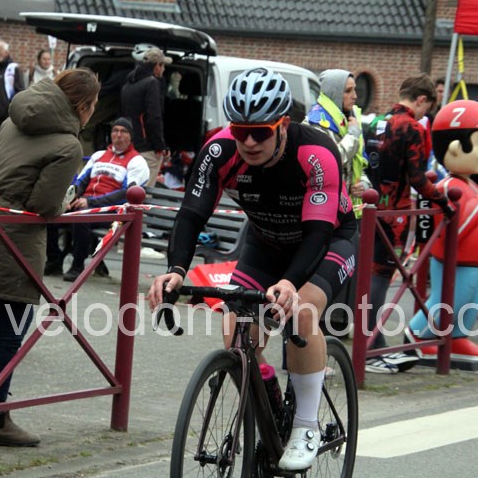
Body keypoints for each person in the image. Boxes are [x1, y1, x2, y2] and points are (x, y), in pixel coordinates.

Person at [148, 68, 357, 471]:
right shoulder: (219, 150)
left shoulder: (316, 153)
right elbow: (191, 214)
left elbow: (317, 233)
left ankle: (306, 425)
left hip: (328, 239)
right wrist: (176, 269)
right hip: (266, 242)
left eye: (260, 132)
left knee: (301, 311)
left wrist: (290, 283)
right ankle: (273, 406)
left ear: (283, 125)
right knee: (237, 336)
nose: (248, 142)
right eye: (241, 130)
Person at [0, 68, 100, 446]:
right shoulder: (67, 145)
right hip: (14, 242)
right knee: (12, 332)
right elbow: (44, 203)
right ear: (83, 106)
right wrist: (63, 204)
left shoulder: (13, 119)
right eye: (94, 105)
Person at [365, 74, 452, 374]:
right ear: (421, 99)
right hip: (395, 214)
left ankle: (371, 343)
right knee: (381, 278)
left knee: (371, 276)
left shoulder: (375, 122)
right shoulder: (412, 127)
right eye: (428, 108)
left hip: (372, 207)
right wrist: (443, 201)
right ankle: (372, 347)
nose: (426, 114)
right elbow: (417, 178)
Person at [407, 100, 478, 365]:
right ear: (456, 148)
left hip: (475, 263)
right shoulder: (448, 188)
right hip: (455, 262)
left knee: (470, 302)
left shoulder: (472, 185)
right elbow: (455, 228)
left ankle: (456, 335)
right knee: (447, 300)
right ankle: (416, 334)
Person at [56, 117, 150, 281]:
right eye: (115, 131)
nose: (118, 135)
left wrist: (91, 202)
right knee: (52, 212)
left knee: (81, 217)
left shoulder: (137, 161)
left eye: (123, 132)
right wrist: (69, 199)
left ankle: (77, 266)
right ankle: (53, 260)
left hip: (113, 211)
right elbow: (81, 182)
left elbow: (126, 193)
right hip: (85, 205)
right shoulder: (99, 155)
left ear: (130, 136)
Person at [305, 69, 370, 216]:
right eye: (348, 91)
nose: (355, 96)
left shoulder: (351, 119)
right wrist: (352, 136)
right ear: (333, 93)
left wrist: (364, 184)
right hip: (323, 207)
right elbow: (329, 161)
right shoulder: (315, 123)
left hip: (349, 208)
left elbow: (358, 163)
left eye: (355, 89)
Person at [120, 45, 171, 187]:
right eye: (163, 66)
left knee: (128, 188)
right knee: (144, 191)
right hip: (146, 147)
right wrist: (160, 146)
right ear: (157, 66)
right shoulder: (152, 83)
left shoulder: (127, 85)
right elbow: (154, 117)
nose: (164, 69)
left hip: (130, 145)